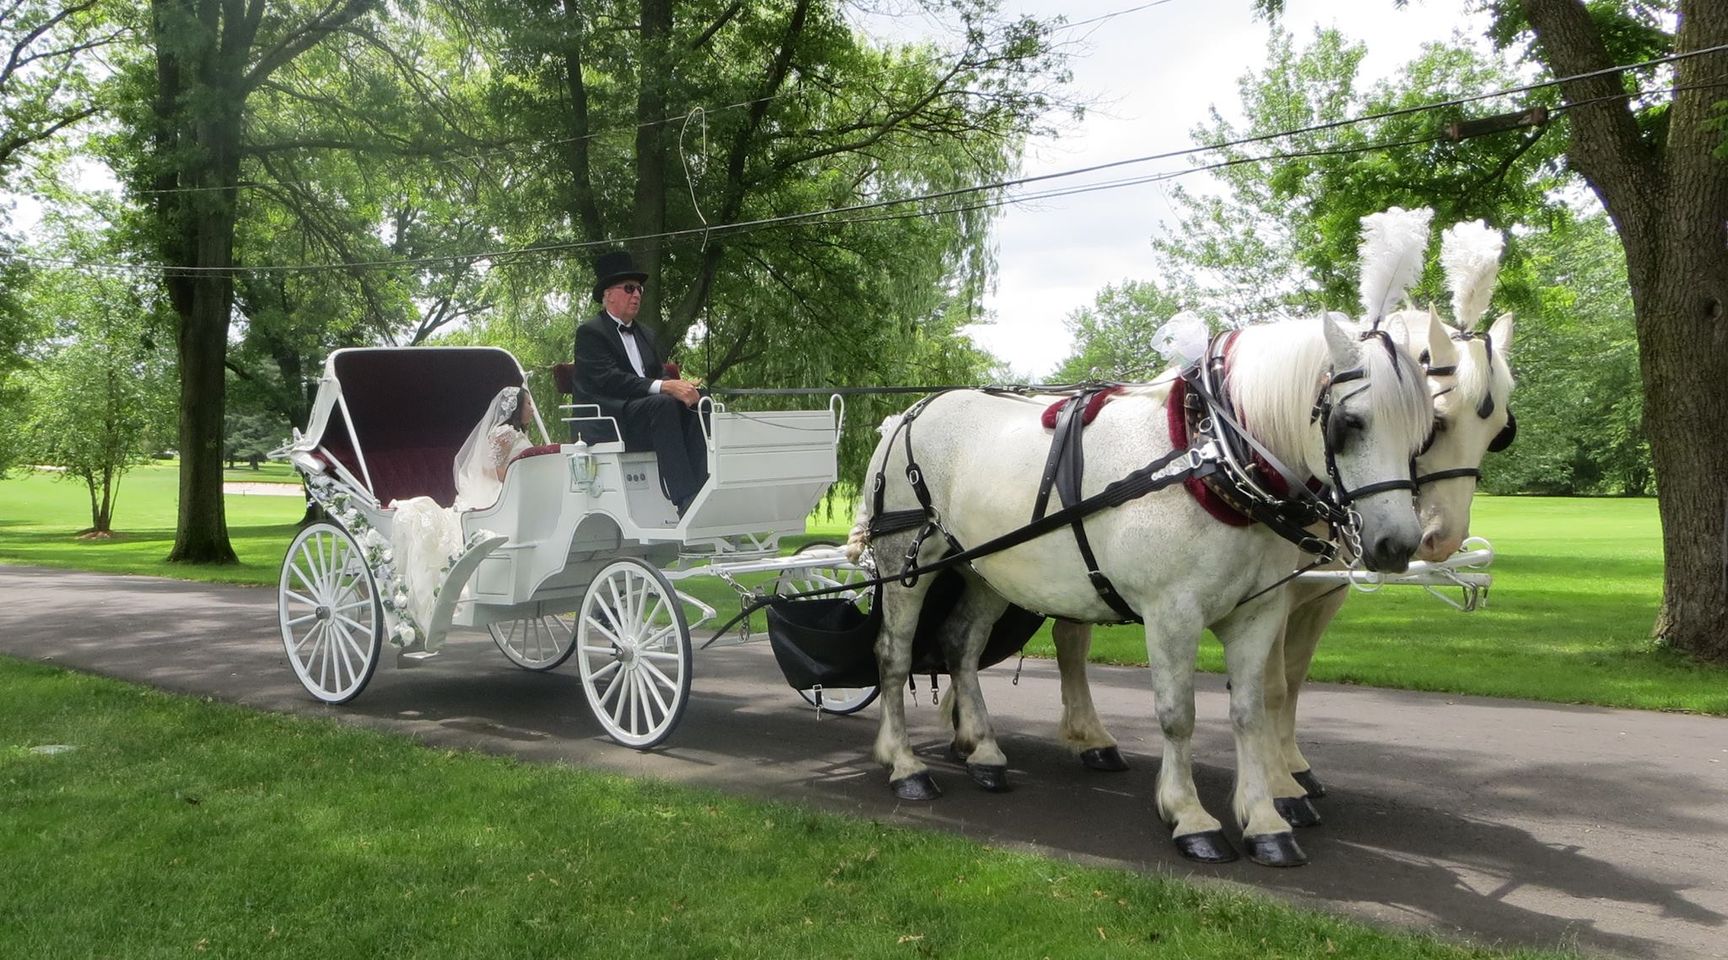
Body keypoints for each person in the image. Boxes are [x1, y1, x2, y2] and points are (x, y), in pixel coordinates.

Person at [388, 385, 535, 649]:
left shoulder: (516, 434)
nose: (532, 410)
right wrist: (518, 476)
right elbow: (492, 471)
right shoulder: (502, 433)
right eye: (528, 405)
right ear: (515, 408)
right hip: (496, 490)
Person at [572, 249, 710, 517]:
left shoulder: (645, 333)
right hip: (610, 415)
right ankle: (684, 498)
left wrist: (681, 387)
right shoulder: (590, 333)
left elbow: (657, 372)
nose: (637, 294)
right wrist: (665, 387)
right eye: (629, 288)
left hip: (643, 413)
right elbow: (610, 380)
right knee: (663, 405)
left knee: (699, 401)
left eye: (640, 289)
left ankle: (704, 485)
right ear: (608, 294)